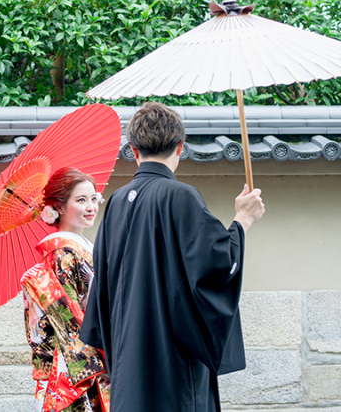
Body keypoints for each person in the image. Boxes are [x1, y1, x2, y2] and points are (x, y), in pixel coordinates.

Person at [80, 102, 266, 412]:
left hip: (128, 363)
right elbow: (217, 266)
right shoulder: (181, 196)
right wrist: (242, 220)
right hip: (172, 364)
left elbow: (102, 288)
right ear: (180, 146)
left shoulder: (114, 203)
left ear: (133, 150)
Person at [21, 167, 111, 412]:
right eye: (81, 200)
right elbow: (71, 317)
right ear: (58, 207)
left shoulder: (82, 248)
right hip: (75, 363)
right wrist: (105, 361)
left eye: (94, 198)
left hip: (88, 352)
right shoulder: (62, 252)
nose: (91, 207)